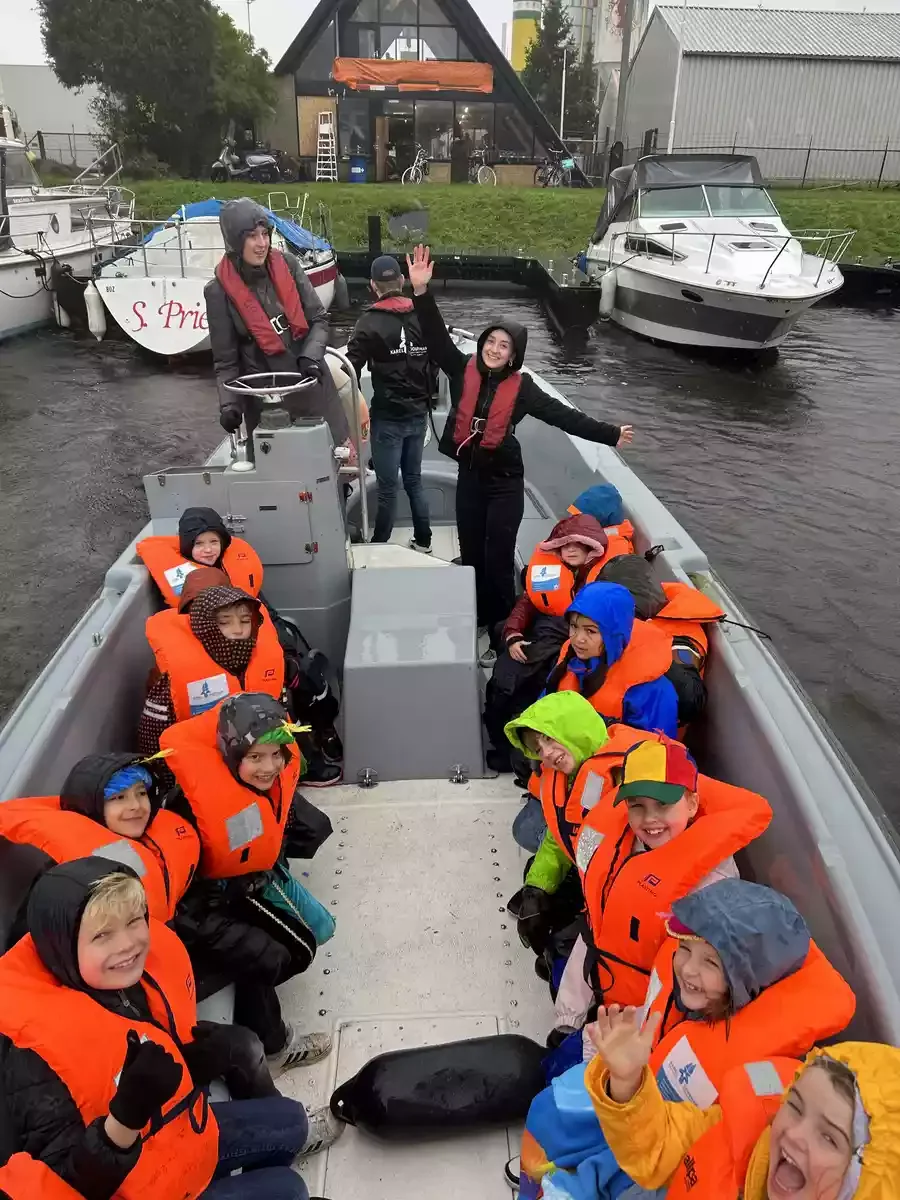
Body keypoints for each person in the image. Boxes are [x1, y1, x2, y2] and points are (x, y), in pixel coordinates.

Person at [0, 858, 340, 1200]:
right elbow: (70, 1187)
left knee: (291, 1121)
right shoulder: (34, 1059)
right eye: (102, 935)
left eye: (134, 921)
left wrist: (195, 1064)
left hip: (179, 1138)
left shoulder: (127, 982)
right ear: (62, 946)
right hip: (140, 1188)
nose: (127, 944)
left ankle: (240, 1176)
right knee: (290, 1190)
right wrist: (123, 1120)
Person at [516, 880, 856, 1199]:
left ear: (748, 979)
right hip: (636, 1105)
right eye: (685, 949)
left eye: (711, 962)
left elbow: (685, 1146)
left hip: (663, 1155)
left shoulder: (767, 1071)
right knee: (547, 1106)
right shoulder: (692, 997)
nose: (688, 969)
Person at [405, 244, 634, 644]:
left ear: (514, 355)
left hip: (505, 480)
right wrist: (421, 292)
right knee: (472, 551)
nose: (494, 349)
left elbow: (565, 417)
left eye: (503, 346)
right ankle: (476, 615)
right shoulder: (462, 368)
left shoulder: (524, 389)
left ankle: (501, 629)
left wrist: (610, 433)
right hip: (471, 477)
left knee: (498, 558)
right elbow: (438, 338)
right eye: (490, 342)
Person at [163, 693, 333, 1075]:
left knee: (319, 931)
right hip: (206, 912)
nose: (269, 767)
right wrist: (229, 924)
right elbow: (184, 902)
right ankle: (276, 1049)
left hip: (253, 881)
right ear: (231, 754)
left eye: (276, 755)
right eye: (255, 757)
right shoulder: (192, 809)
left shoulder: (258, 785)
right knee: (277, 956)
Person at [584, 1021, 899, 1200]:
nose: (793, 1133)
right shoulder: (741, 1135)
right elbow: (659, 1141)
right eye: (795, 1106)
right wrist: (626, 1084)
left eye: (829, 1138)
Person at [571, 735, 772, 1013]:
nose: (650, 818)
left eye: (663, 804)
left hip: (644, 1019)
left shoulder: (713, 885)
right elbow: (594, 928)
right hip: (600, 987)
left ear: (692, 804)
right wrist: (569, 1016)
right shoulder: (620, 847)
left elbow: (690, 984)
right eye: (637, 805)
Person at [204, 198, 350, 449]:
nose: (262, 244)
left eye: (265, 234)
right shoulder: (217, 292)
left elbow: (319, 319)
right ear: (235, 242)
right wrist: (229, 406)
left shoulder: (290, 265)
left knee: (330, 466)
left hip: (312, 388)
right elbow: (226, 362)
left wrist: (311, 356)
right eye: (252, 237)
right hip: (265, 406)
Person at [484, 513, 621, 772]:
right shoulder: (547, 574)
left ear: (592, 548)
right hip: (540, 636)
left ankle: (523, 754)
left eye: (578, 544)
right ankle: (506, 747)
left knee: (532, 684)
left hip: (569, 646)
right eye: (565, 544)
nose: (570, 549)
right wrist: (513, 635)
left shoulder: (601, 583)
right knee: (505, 680)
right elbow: (525, 606)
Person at [0, 753, 199, 922]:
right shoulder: (66, 883)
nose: (136, 806)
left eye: (141, 793)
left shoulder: (154, 840)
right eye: (118, 797)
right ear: (91, 805)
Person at [346, 254, 437, 552]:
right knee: (414, 480)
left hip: (387, 418)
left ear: (373, 286)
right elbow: (438, 356)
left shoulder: (368, 321)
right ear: (401, 280)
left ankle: (380, 544)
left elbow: (350, 370)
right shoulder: (423, 313)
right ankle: (424, 540)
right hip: (418, 414)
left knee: (387, 488)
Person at [139, 584, 285, 756]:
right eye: (224, 622)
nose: (238, 630)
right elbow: (154, 738)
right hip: (202, 761)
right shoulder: (175, 677)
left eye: (245, 621)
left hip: (259, 764)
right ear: (204, 626)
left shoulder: (266, 661)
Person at [544, 582, 678, 736]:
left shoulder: (654, 691)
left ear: (613, 635)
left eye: (590, 631)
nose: (578, 639)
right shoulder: (570, 658)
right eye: (574, 626)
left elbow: (654, 750)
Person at [137, 507, 263, 608]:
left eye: (214, 542)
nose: (208, 550)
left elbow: (263, 606)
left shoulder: (235, 565)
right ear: (187, 546)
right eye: (199, 544)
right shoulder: (174, 574)